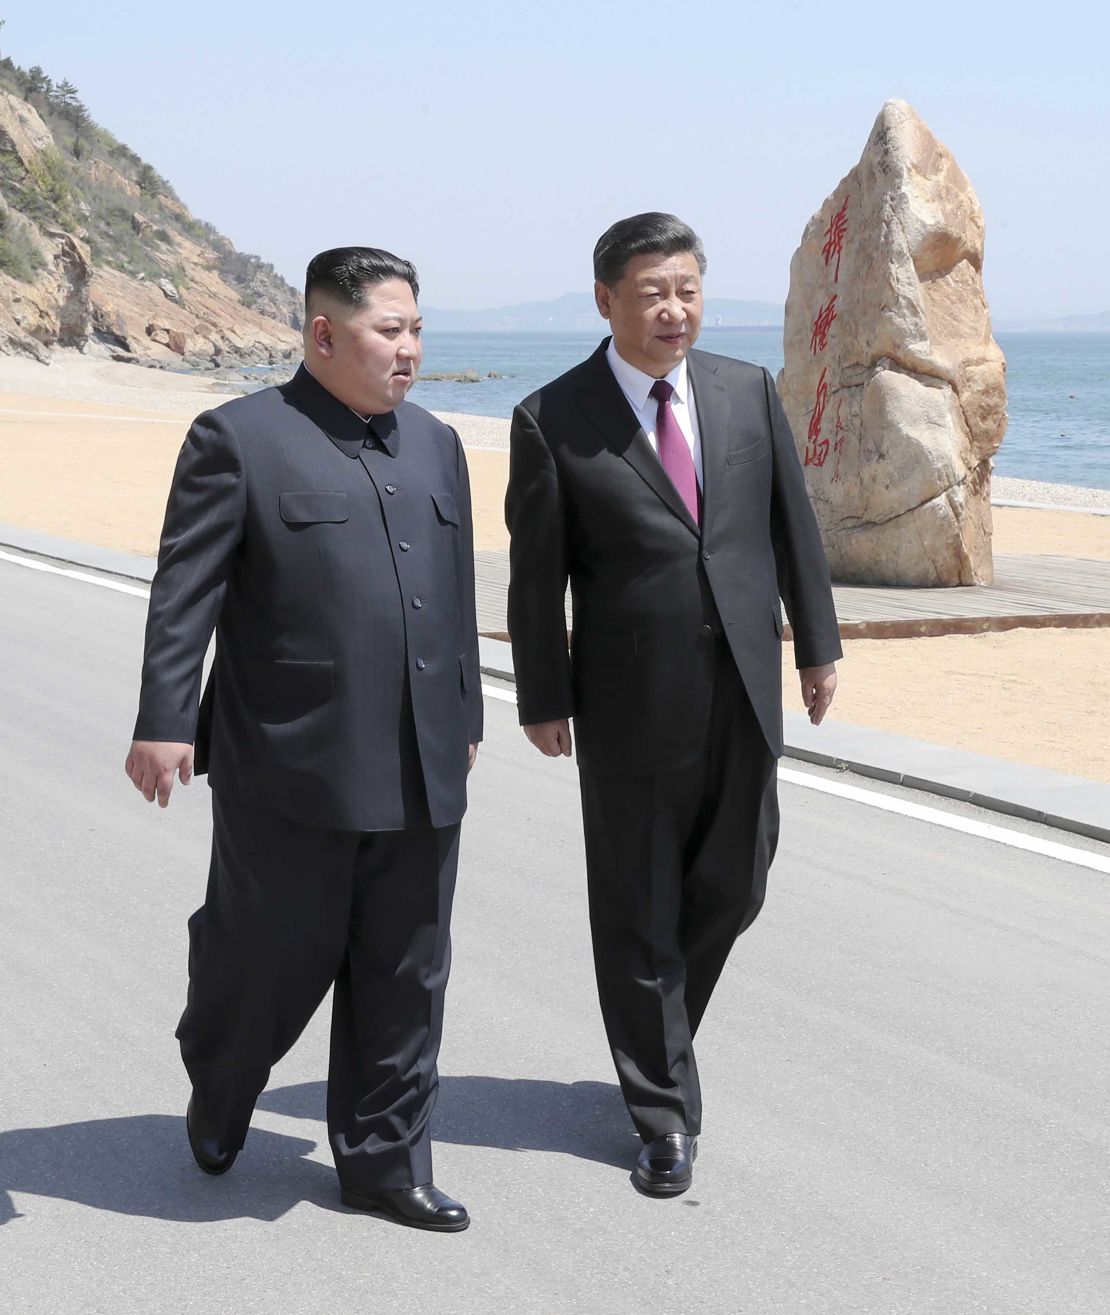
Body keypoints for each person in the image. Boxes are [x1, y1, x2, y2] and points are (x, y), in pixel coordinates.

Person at [125, 246, 482, 1232]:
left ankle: (383, 1163)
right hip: (289, 764)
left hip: (420, 762)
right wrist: (163, 720)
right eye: (388, 330)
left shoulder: (438, 444)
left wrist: (468, 714)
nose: (409, 350)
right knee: (269, 955)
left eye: (417, 329)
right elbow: (183, 596)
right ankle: (221, 1070)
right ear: (323, 334)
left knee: (407, 970)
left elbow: (454, 592)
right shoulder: (239, 439)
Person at [505, 213, 841, 1197]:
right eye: (652, 291)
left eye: (687, 289)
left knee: (738, 880)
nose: (673, 308)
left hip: (744, 682)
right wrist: (541, 694)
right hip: (625, 701)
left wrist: (818, 646)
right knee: (637, 901)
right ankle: (659, 1113)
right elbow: (536, 580)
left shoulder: (747, 391)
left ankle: (657, 1030)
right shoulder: (551, 418)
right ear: (607, 300)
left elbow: (793, 528)